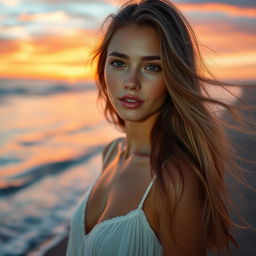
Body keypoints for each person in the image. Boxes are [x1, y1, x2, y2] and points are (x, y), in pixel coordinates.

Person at [66, 0, 255, 255]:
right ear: (103, 69)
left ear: (174, 76)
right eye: (119, 63)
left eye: (152, 67)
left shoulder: (176, 182)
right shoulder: (111, 153)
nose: (131, 82)